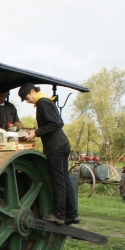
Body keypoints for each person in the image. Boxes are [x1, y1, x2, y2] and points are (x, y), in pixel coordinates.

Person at [19, 83, 79, 225]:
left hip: (55, 146)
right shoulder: (47, 101)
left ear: (32, 91)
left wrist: (36, 132)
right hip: (62, 143)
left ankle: (59, 215)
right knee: (65, 179)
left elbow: (56, 123)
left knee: (57, 180)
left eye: (27, 98)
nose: (27, 101)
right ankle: (72, 214)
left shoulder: (42, 102)